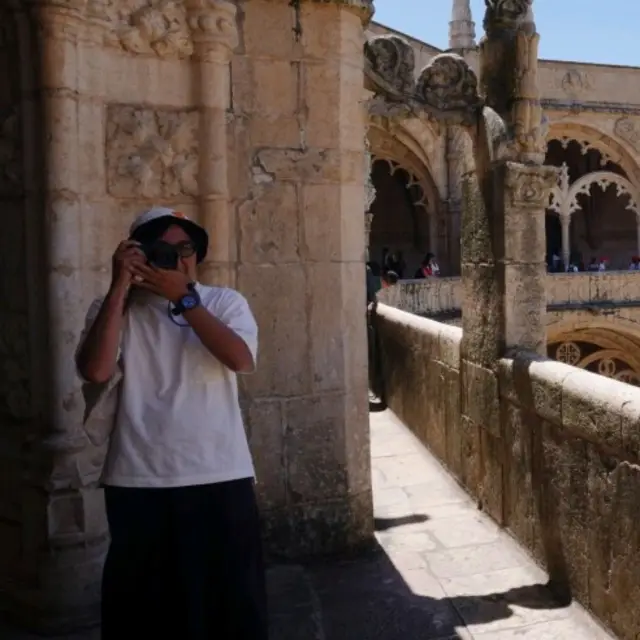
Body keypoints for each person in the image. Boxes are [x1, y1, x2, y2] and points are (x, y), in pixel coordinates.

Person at [75, 207, 267, 640]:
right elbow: (95, 370)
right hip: (138, 479)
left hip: (219, 474)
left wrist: (186, 299)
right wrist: (118, 286)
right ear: (138, 255)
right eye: (162, 251)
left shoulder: (223, 302)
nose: (178, 260)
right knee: (143, 614)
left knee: (230, 608)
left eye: (186, 250)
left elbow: (240, 358)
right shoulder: (114, 310)